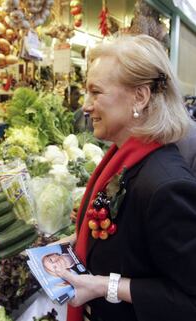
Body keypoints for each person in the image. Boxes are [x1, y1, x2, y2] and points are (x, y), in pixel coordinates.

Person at [54, 35, 196, 321]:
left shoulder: (166, 186)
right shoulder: (125, 161)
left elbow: (188, 300)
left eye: (96, 92)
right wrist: (66, 244)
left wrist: (103, 286)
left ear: (140, 97)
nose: (85, 106)